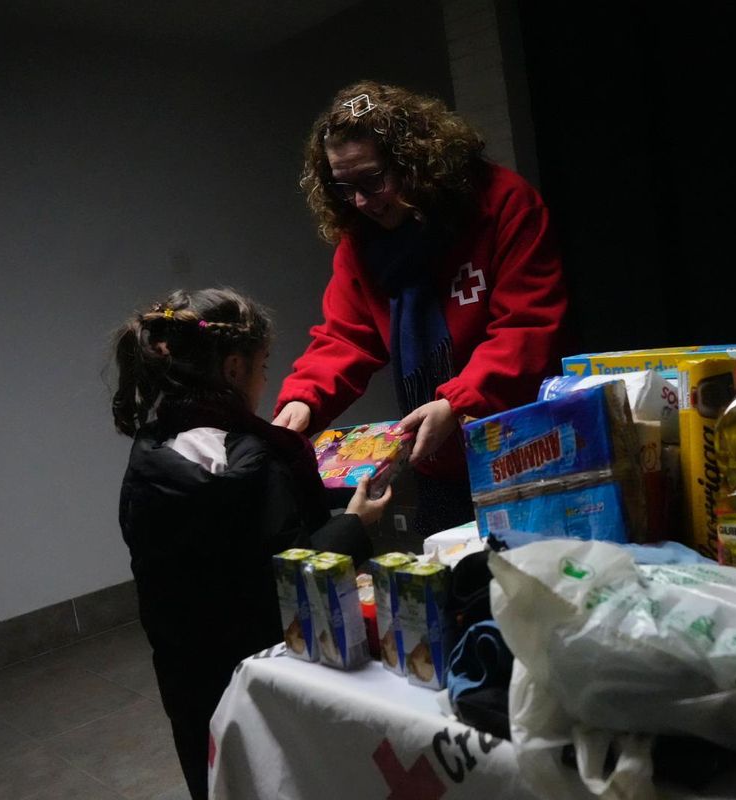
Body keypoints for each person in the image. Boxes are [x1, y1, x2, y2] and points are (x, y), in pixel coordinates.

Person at [112, 288, 389, 800]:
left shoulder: (148, 453)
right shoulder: (255, 461)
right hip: (269, 675)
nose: (268, 381)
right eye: (264, 365)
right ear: (235, 368)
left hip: (190, 678)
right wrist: (355, 522)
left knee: (221, 778)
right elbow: (289, 576)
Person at [272, 80, 570, 536]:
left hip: (527, 448)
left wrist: (458, 401)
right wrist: (302, 402)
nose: (359, 202)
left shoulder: (503, 204)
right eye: (344, 187)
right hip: (439, 464)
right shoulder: (361, 240)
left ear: (415, 161)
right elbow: (345, 337)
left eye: (372, 180)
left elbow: (527, 327)